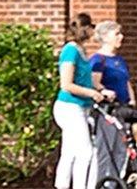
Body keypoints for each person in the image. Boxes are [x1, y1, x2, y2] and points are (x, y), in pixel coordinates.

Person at [53, 14, 106, 189]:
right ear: (85, 29)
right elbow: (66, 84)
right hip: (69, 107)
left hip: (80, 108)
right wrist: (91, 93)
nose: (93, 31)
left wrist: (100, 90)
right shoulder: (70, 50)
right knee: (86, 152)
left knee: (69, 153)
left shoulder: (81, 51)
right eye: (91, 27)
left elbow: (86, 80)